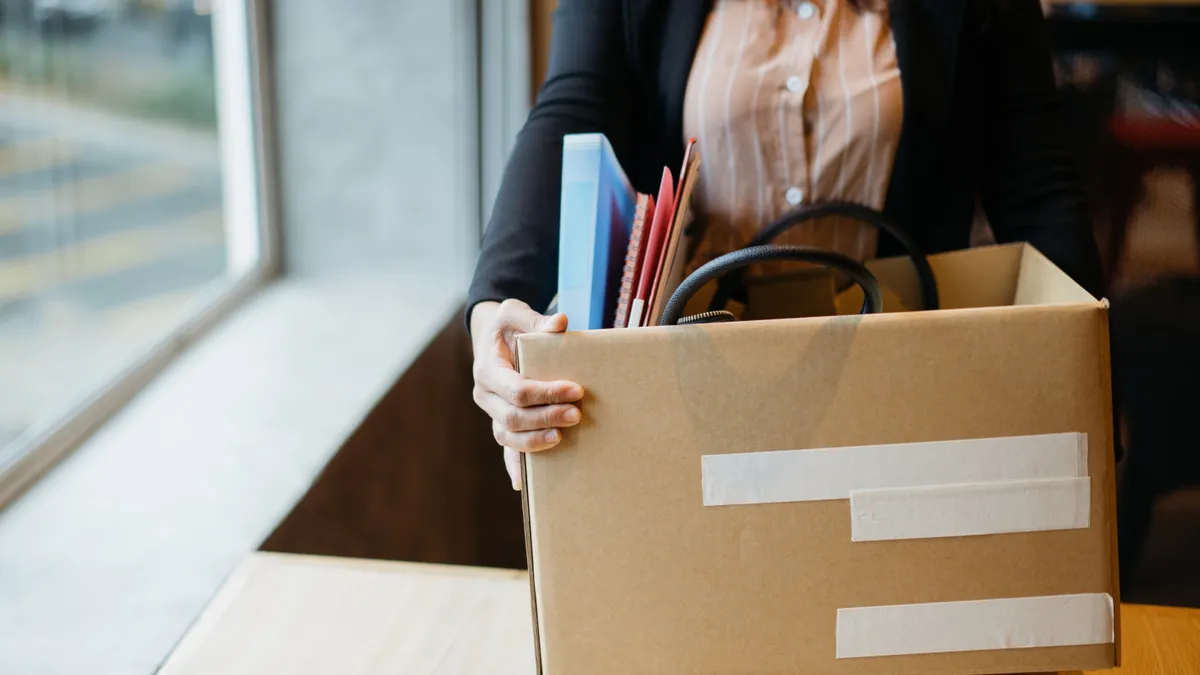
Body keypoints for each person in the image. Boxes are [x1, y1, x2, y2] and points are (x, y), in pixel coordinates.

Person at [467, 0, 1105, 490]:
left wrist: (1088, 402)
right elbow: (573, 109)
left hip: (897, 390)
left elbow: (1035, 181)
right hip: (680, 392)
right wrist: (495, 305)